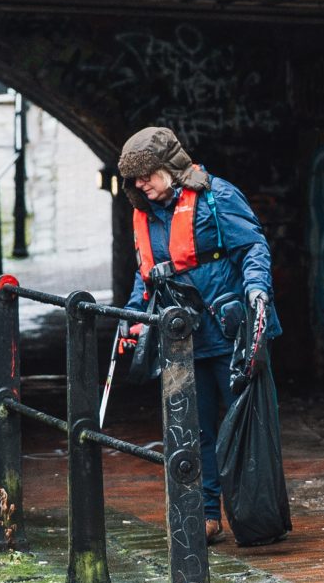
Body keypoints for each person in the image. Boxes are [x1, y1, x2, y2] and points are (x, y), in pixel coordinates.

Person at [116, 126, 278, 545]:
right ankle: (207, 515)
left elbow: (253, 248)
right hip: (183, 339)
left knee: (246, 425)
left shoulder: (218, 197)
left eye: (146, 174)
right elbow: (147, 274)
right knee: (195, 428)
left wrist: (257, 290)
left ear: (169, 168)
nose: (140, 184)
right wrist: (133, 320)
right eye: (134, 178)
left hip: (230, 331)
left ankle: (257, 513)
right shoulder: (145, 213)